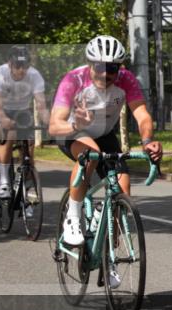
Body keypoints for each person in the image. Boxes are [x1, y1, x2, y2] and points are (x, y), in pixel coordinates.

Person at [47, 35, 163, 257]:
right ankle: (72, 216)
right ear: (91, 64)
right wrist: (76, 123)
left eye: (112, 68)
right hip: (73, 132)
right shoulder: (73, 80)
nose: (105, 73)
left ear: (120, 68)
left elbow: (142, 115)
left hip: (105, 134)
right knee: (90, 154)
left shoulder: (126, 80)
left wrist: (148, 141)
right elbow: (54, 125)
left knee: (123, 189)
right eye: (100, 67)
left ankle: (108, 258)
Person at [0, 46, 49, 199]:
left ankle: (26, 190)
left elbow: (41, 105)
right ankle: (4, 181)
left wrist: (50, 122)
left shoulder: (34, 75)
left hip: (21, 110)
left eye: (25, 66)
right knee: (10, 135)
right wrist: (3, 120)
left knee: (29, 144)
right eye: (18, 66)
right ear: (10, 64)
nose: (21, 70)